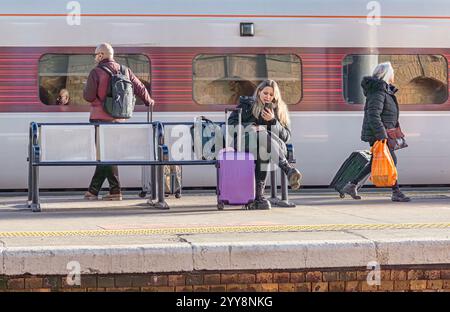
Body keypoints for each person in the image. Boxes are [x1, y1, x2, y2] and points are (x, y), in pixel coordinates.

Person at [83, 43, 154, 201]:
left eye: (96, 55)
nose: (95, 58)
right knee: (108, 155)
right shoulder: (125, 70)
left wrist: (85, 88)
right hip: (118, 118)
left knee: (105, 156)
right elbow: (139, 86)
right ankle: (95, 191)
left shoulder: (96, 72)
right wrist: (149, 101)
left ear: (101, 55)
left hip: (100, 119)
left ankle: (114, 191)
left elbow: (88, 96)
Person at [228, 79, 302, 210]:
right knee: (262, 137)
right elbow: (231, 125)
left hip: (271, 149)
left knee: (264, 149)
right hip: (246, 144)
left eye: (271, 94)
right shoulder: (247, 105)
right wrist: (250, 127)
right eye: (265, 93)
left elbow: (286, 136)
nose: (268, 96)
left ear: (275, 96)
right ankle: (287, 170)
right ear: (259, 92)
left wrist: (273, 122)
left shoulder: (279, 110)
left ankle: (259, 198)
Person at [342, 62, 410, 202]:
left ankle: (352, 185)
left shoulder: (383, 90)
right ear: (387, 74)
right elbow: (373, 114)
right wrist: (382, 135)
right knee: (391, 159)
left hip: (384, 132)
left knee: (376, 161)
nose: (393, 75)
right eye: (392, 73)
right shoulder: (378, 92)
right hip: (379, 134)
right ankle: (396, 191)